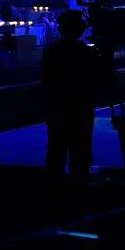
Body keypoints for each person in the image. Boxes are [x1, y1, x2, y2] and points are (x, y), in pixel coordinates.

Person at [41, 10, 108, 193]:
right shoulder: (87, 53)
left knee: (55, 150)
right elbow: (100, 80)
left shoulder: (50, 52)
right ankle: (79, 189)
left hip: (56, 109)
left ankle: (52, 192)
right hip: (81, 110)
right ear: (81, 29)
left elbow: (45, 81)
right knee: (81, 151)